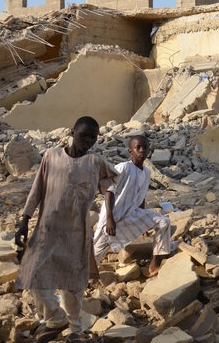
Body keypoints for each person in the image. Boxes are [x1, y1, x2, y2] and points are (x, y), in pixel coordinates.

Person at [15, 116, 118, 342]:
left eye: (93, 137)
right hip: (48, 228)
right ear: (72, 132)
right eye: (84, 135)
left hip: (77, 232)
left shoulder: (95, 162)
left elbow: (109, 185)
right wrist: (24, 220)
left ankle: (75, 329)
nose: (89, 141)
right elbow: (37, 190)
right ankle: (54, 317)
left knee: (73, 284)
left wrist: (109, 213)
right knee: (32, 275)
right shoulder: (51, 157)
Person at [92, 135, 171, 274]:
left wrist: (143, 223)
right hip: (114, 217)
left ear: (148, 151)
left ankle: (154, 264)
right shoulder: (123, 168)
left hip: (131, 214)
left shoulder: (146, 172)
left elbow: (140, 198)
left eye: (144, 148)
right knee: (96, 252)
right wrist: (109, 218)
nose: (141, 151)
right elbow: (109, 191)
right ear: (130, 151)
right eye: (138, 148)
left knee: (163, 222)